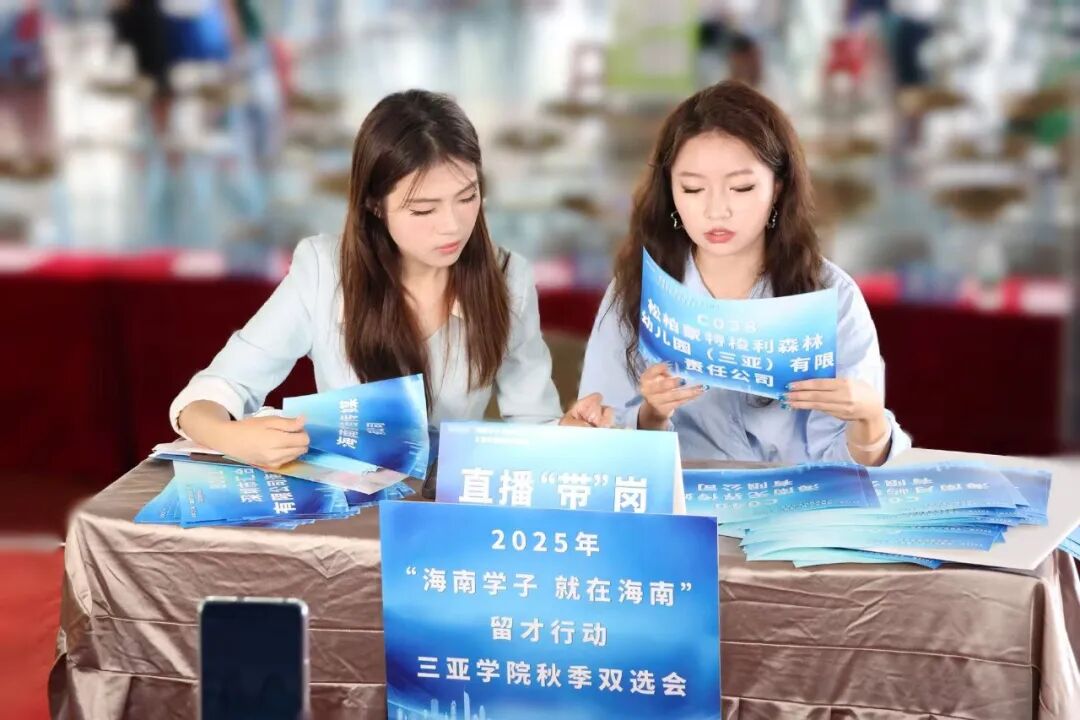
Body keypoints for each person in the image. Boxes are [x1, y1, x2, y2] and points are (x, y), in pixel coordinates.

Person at [171, 89, 611, 468]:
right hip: (349, 504)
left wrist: (568, 432)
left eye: (467, 197)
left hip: (446, 504)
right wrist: (233, 437)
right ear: (375, 206)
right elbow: (215, 390)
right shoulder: (324, 270)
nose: (452, 226)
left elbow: (532, 425)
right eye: (423, 209)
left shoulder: (507, 278)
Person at [579, 81, 909, 466]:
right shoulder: (637, 288)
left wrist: (869, 418)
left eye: (741, 187)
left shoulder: (831, 295)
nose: (716, 211)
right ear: (670, 192)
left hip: (797, 500)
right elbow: (600, 439)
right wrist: (650, 416)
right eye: (692, 189)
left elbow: (851, 471)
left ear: (778, 188)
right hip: (683, 498)